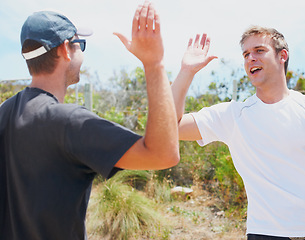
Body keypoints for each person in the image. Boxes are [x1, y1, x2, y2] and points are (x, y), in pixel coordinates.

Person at [171, 29, 305, 239]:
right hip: (263, 235)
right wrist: (186, 71)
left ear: (282, 55)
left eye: (259, 50)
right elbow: (171, 126)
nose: (250, 59)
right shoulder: (232, 116)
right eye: (246, 54)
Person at [0, 1, 179, 239]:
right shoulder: (69, 122)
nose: (82, 52)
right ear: (65, 49)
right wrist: (154, 63)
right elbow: (163, 154)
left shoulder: (4, 112)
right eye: (79, 45)